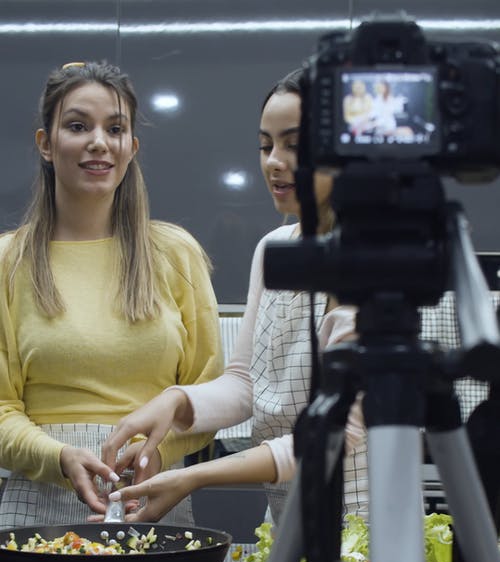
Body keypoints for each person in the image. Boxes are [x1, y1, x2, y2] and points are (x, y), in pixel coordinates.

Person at [95, 69, 368, 527]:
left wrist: (194, 476)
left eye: (294, 145)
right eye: (266, 146)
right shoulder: (273, 249)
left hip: (361, 527)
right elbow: (246, 384)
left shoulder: (369, 258)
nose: (274, 162)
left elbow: (342, 433)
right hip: (288, 519)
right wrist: (176, 402)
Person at [0, 60, 223, 529]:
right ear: (45, 143)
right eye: (78, 126)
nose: (98, 142)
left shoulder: (175, 253)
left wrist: (156, 455)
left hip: (152, 498)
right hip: (34, 503)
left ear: (131, 148)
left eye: (115, 128)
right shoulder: (8, 261)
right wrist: (58, 457)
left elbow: (210, 393)